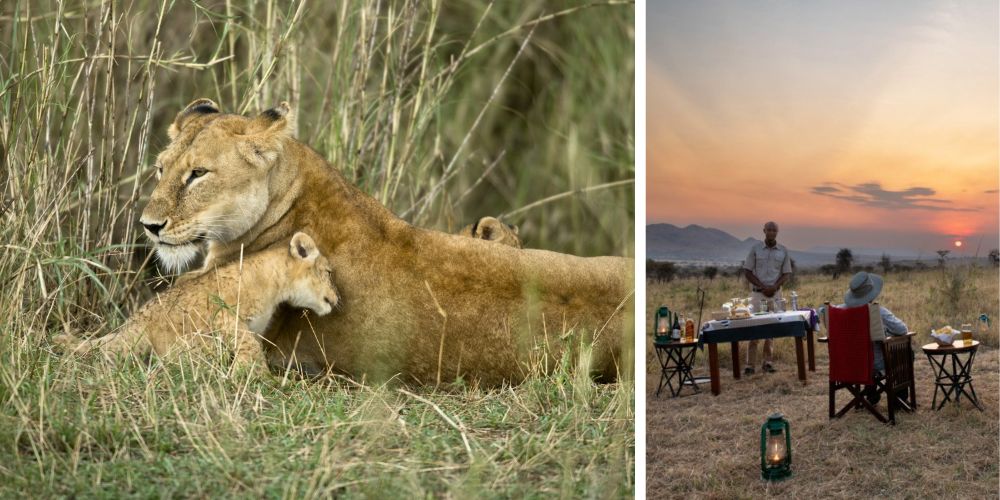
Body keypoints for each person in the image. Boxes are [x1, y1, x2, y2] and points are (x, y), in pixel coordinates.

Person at [823, 271, 908, 404]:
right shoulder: (876, 311)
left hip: (844, 363)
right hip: (872, 364)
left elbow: (822, 316)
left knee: (865, 355)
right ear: (871, 293)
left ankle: (870, 395)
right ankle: (899, 400)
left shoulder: (837, 312)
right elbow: (902, 330)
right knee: (906, 353)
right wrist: (885, 333)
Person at [742, 221, 792, 375]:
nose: (771, 232)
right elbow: (748, 271)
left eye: (774, 230)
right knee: (754, 326)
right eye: (769, 229)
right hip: (758, 294)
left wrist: (774, 287)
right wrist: (763, 287)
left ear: (777, 232)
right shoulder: (755, 249)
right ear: (764, 230)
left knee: (770, 328)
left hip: (775, 295)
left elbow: (786, 273)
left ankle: (767, 363)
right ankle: (750, 365)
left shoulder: (783, 251)